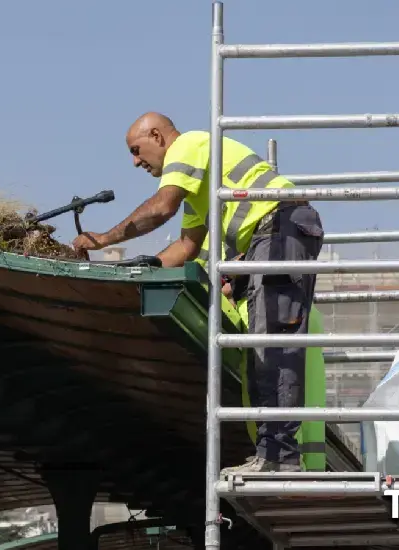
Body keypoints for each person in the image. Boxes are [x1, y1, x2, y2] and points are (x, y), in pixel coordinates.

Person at [72, 112, 324, 473]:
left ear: (157, 136)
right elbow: (186, 248)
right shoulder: (201, 191)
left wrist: (104, 239)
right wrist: (141, 273)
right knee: (263, 346)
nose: (135, 162)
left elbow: (161, 208)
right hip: (272, 236)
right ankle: (274, 454)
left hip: (279, 229)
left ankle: (279, 457)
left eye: (136, 150)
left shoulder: (189, 145)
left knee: (273, 343)